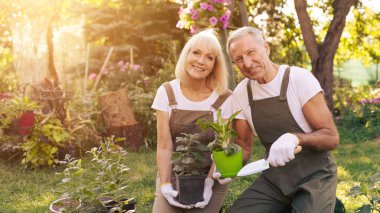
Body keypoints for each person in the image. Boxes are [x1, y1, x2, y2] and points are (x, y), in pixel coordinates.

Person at [226, 26, 339, 212]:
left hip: (315, 176)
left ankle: (327, 202)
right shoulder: (242, 93)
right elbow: (244, 146)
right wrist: (225, 170)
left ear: (266, 48)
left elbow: (331, 137)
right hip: (275, 179)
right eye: (238, 59)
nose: (247, 63)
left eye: (251, 52)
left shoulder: (298, 79)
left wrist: (296, 137)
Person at [151, 29, 232, 212]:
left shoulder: (224, 98)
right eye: (196, 52)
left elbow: (222, 148)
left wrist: (209, 183)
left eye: (209, 57)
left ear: (215, 65)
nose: (201, 61)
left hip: (212, 174)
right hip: (175, 173)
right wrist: (165, 184)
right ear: (186, 55)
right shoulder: (167, 92)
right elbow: (164, 145)